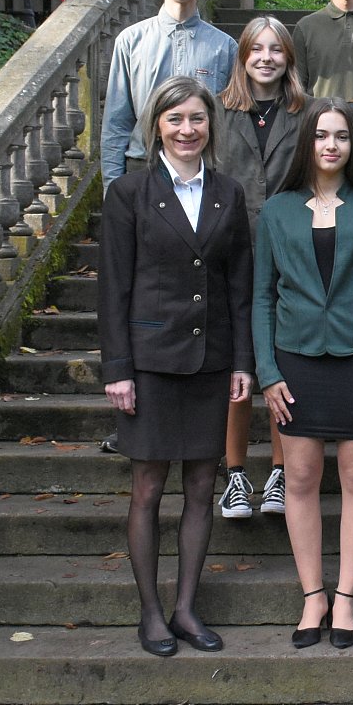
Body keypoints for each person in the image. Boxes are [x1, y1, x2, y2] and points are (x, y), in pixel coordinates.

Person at [98, 76, 254, 656]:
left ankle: (186, 609)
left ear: (210, 125)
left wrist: (242, 362)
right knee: (147, 487)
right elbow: (113, 287)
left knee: (202, 485)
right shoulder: (129, 193)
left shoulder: (228, 194)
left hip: (211, 361)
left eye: (197, 118)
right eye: (175, 119)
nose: (187, 130)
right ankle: (151, 614)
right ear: (156, 127)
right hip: (149, 364)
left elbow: (239, 286)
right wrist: (117, 368)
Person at [252, 101, 353, 651]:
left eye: (341, 135)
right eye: (321, 135)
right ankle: (312, 595)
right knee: (300, 478)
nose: (331, 145)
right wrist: (267, 372)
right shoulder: (277, 210)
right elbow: (262, 297)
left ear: (352, 144)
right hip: (295, 360)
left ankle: (345, 599)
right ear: (306, 143)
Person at [213, 15, 306, 520]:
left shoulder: (305, 112)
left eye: (276, 49)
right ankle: (234, 474)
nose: (266, 58)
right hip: (230, 250)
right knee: (238, 362)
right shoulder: (217, 111)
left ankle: (278, 472)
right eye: (257, 49)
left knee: (280, 362)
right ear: (243, 56)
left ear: (288, 57)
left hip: (290, 251)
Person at [100, 0, 238, 187]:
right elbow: (116, 124)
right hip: (142, 168)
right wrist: (112, 188)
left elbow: (232, 126)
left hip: (202, 173)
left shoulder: (225, 47)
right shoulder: (131, 42)